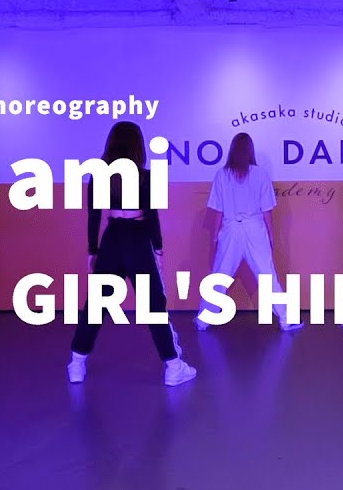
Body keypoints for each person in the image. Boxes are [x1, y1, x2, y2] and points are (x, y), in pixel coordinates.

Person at [68, 120, 197, 387]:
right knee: (153, 307)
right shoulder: (146, 177)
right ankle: (174, 368)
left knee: (96, 306)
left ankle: (76, 365)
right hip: (137, 241)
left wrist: (92, 250)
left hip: (112, 239)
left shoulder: (99, 176)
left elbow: (94, 217)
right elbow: (151, 216)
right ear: (138, 146)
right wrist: (158, 249)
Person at [195, 133, 303, 333]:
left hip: (230, 229)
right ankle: (286, 319)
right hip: (255, 229)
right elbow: (266, 211)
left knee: (219, 274)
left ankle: (203, 319)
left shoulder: (222, 175)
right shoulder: (260, 175)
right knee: (267, 275)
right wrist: (270, 235)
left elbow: (218, 210)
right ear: (250, 151)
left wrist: (215, 236)